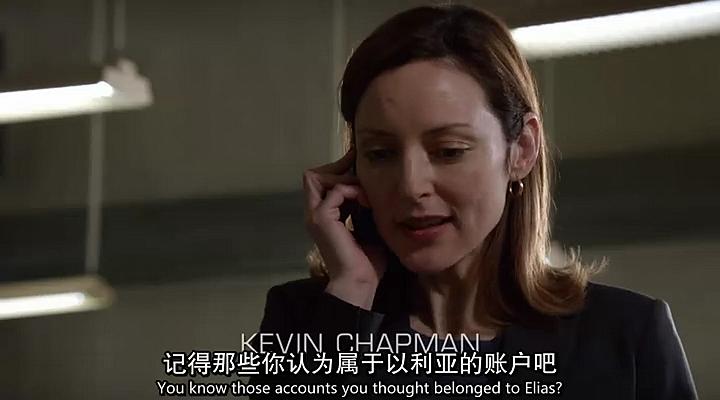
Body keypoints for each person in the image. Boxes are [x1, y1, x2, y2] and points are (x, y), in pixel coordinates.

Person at [250, 4, 697, 399]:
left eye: (449, 151)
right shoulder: (307, 321)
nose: (410, 186)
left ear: (521, 149)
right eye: (381, 154)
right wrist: (352, 290)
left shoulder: (625, 337)